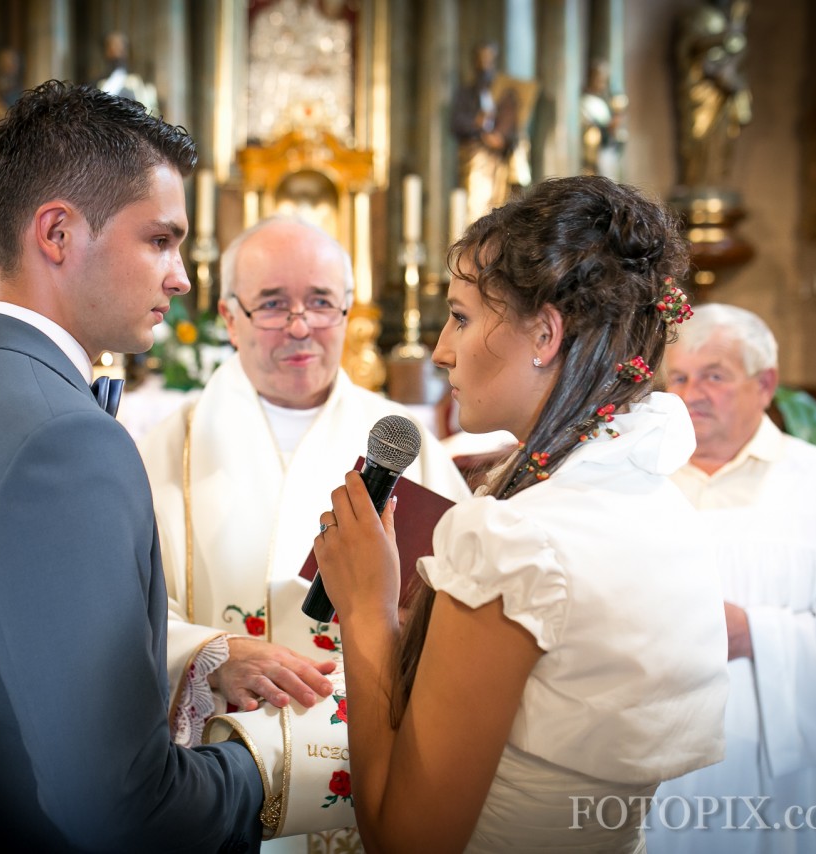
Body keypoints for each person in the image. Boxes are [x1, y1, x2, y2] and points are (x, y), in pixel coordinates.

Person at [0, 81, 263, 851]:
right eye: (160, 239)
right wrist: (279, 764)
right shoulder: (64, 439)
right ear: (56, 233)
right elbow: (118, 810)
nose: (182, 276)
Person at [310, 175, 731, 852]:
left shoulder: (517, 540)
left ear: (543, 333)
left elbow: (406, 842)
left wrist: (366, 609)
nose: (442, 350)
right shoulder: (653, 498)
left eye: (462, 316)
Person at [137, 216, 471, 852]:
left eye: (320, 302)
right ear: (229, 317)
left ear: (349, 313)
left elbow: (460, 604)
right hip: (220, 766)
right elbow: (120, 609)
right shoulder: (166, 449)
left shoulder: (405, 441)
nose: (300, 326)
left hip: (364, 762)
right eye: (272, 305)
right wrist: (211, 655)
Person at [648, 303, 816, 853]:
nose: (692, 393)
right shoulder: (638, 484)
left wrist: (751, 632)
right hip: (649, 773)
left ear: (765, 384)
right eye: (679, 376)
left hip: (780, 790)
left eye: (714, 376)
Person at [675, 0, 753, 188]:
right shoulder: (699, 15)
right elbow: (691, 46)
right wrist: (726, 35)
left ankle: (714, 182)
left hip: (722, 91)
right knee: (698, 138)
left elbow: (737, 50)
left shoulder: (729, 19)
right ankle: (696, 183)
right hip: (701, 90)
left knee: (720, 141)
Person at [451, 41, 531, 221]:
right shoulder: (466, 93)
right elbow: (456, 123)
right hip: (476, 158)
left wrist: (503, 139)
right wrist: (477, 124)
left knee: (499, 208)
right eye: (482, 59)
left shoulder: (503, 94)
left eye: (489, 59)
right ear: (474, 62)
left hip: (499, 159)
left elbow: (515, 126)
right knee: (476, 208)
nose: (485, 64)